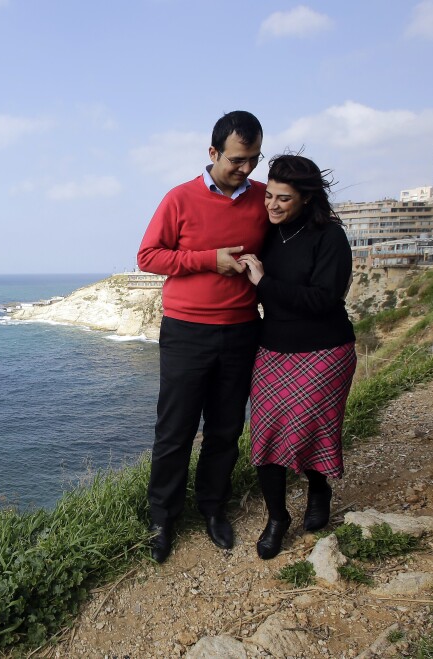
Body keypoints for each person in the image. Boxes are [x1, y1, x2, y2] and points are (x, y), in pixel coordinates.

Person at [137, 110, 269, 563]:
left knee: (226, 429)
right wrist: (207, 260)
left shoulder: (263, 199)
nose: (246, 169)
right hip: (187, 331)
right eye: (237, 159)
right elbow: (148, 256)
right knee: (174, 431)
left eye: (253, 159)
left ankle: (213, 509)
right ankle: (163, 518)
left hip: (242, 330)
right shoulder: (179, 198)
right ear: (213, 153)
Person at [238, 154, 356, 560]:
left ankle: (319, 489)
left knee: (311, 430)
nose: (271, 204)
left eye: (283, 199)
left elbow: (323, 300)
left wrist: (265, 283)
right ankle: (277, 518)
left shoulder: (330, 237)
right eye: (268, 195)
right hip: (274, 350)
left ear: (306, 198)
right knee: (266, 434)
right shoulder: (268, 234)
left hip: (325, 351)